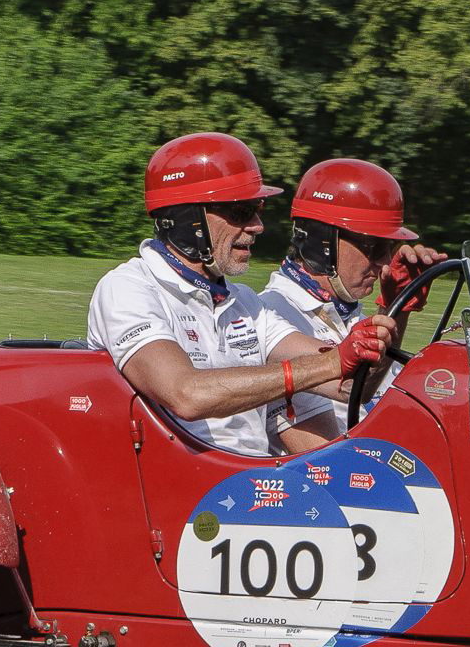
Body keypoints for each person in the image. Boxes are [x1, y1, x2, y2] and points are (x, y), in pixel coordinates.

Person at [86, 132, 395, 457]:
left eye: (257, 209)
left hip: (247, 487)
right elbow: (186, 394)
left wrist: (386, 326)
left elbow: (348, 388)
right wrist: (328, 363)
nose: (258, 226)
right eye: (240, 212)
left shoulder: (246, 302)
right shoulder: (129, 287)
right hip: (183, 490)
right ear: (186, 218)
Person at [259, 158, 447, 426]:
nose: (384, 262)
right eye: (373, 247)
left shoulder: (347, 312)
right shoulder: (274, 315)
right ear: (322, 244)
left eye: (390, 247)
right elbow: (315, 453)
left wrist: (395, 308)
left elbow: (390, 395)